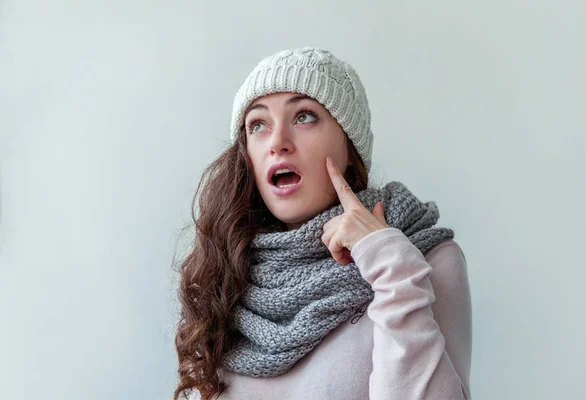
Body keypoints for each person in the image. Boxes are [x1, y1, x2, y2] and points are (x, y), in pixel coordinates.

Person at [173, 47, 472, 400]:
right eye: (258, 124)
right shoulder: (226, 276)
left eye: (304, 117)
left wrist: (388, 264)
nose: (277, 142)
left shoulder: (422, 259)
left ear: (349, 145)